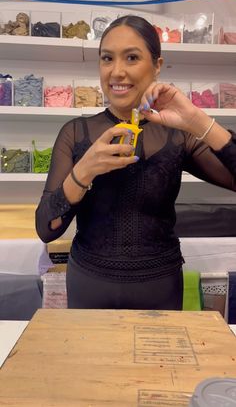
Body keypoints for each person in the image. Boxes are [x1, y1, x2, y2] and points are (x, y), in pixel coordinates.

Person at [36, 15, 236, 310]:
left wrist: (197, 120)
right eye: (107, 58)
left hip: (159, 285)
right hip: (89, 284)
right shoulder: (75, 133)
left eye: (132, 57)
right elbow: (46, 228)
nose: (117, 72)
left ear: (157, 65)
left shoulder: (178, 135)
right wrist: (84, 170)